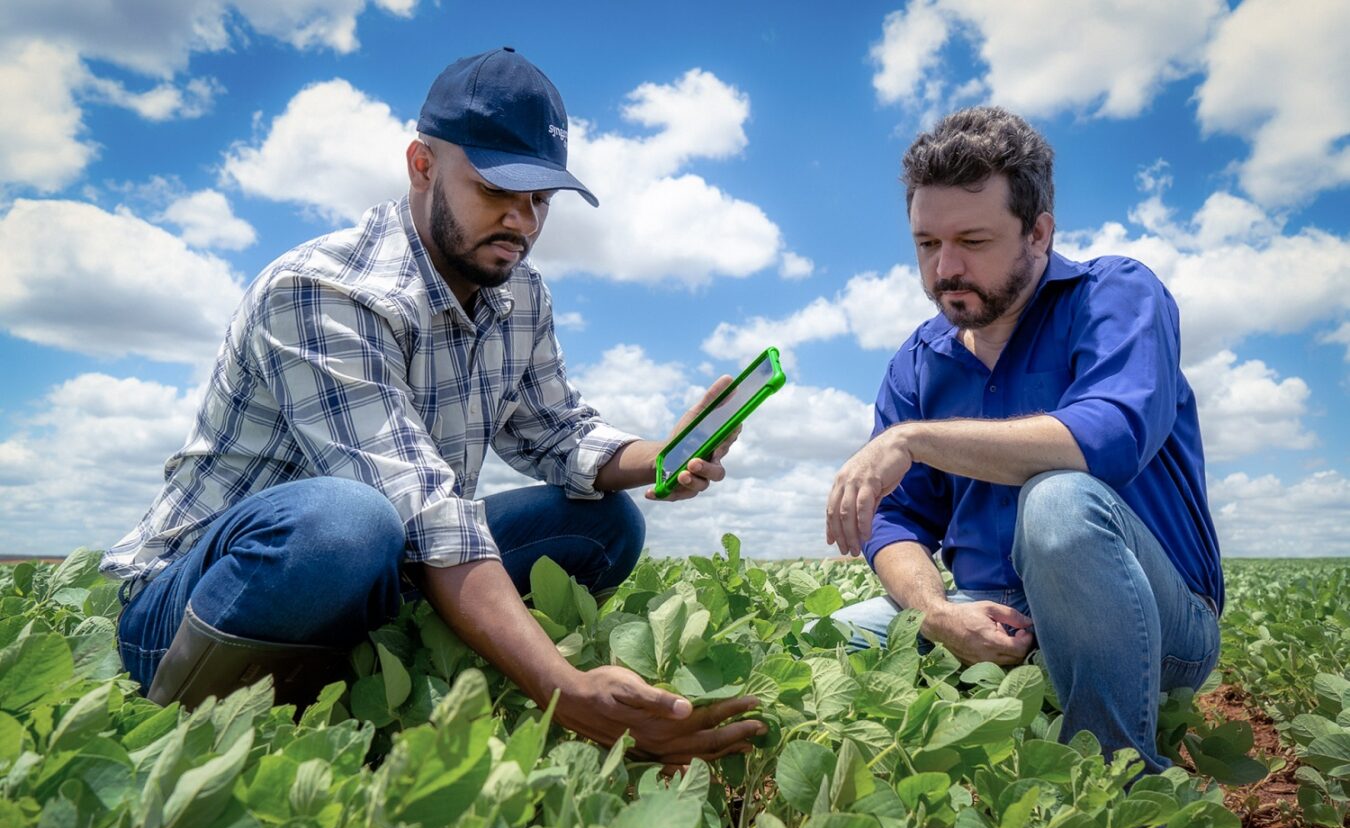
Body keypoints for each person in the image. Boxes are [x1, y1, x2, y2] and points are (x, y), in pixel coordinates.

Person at [101, 47, 762, 765]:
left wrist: (664, 457)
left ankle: (384, 666)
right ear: (422, 165)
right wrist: (562, 689)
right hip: (201, 604)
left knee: (604, 522)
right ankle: (205, 726)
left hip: (386, 566)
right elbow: (419, 506)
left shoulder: (520, 292)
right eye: (495, 190)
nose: (521, 221)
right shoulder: (323, 289)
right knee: (347, 524)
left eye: (540, 199)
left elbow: (558, 432)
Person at [825, 107, 1223, 774]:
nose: (946, 267)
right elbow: (894, 519)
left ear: (1038, 233)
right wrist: (934, 613)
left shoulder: (1116, 295)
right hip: (992, 616)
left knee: (1060, 502)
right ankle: (1018, 703)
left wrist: (915, 440)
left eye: (973, 241)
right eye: (927, 244)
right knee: (830, 638)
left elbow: (1111, 435)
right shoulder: (917, 363)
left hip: (1154, 623)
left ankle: (1116, 791)